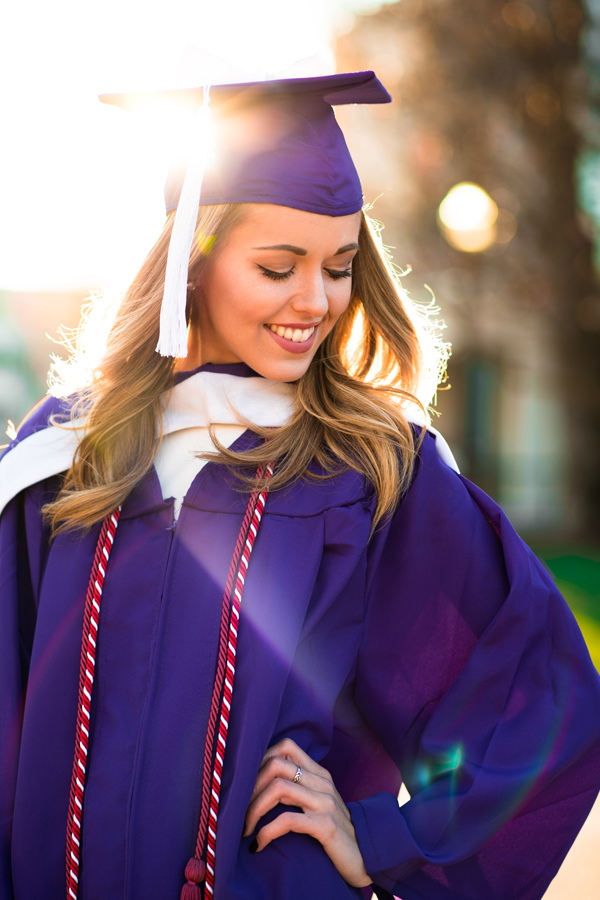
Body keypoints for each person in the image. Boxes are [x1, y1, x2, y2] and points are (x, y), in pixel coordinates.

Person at [1, 71, 599, 900]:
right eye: (279, 267)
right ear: (192, 263)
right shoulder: (64, 457)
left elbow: (538, 695)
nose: (316, 302)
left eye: (341, 266)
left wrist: (390, 839)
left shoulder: (369, 473)